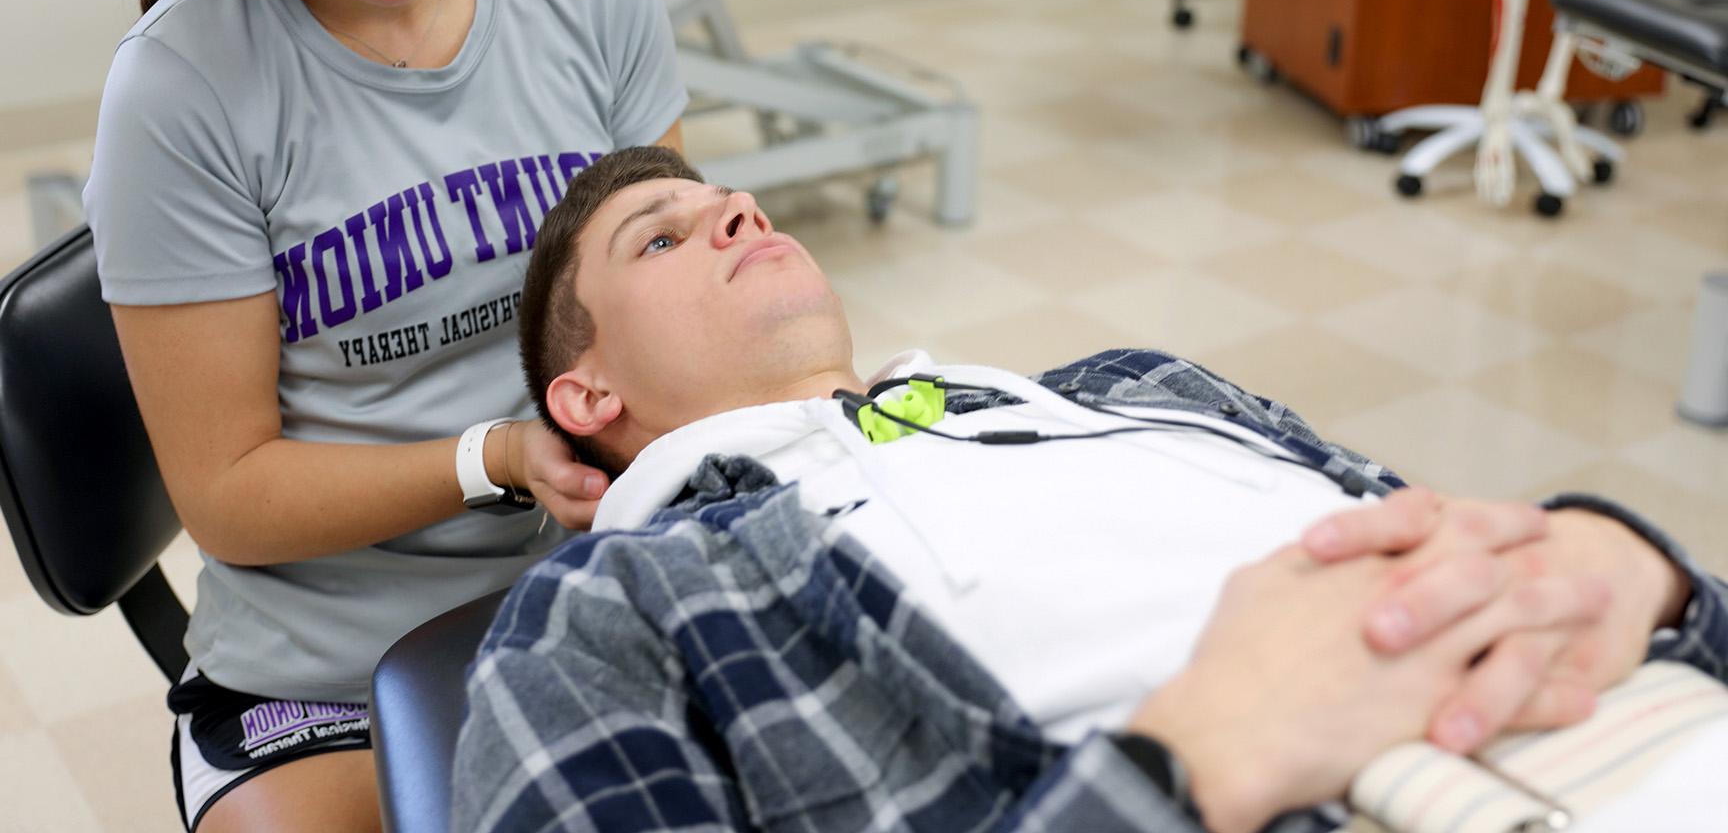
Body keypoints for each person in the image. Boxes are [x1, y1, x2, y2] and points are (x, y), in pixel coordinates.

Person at [453, 146, 1727, 833]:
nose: (734, 212)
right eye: (664, 238)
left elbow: (1463, 544)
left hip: (1640, 717)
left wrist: (1655, 584)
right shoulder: (610, 613)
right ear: (587, 398)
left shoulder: (1136, 384)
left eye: (728, 199)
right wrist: (1195, 765)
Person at [84, 0, 688, 832]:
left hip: (597, 583)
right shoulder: (181, 92)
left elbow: (673, 309)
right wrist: (496, 460)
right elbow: (233, 496)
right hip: (320, 677)